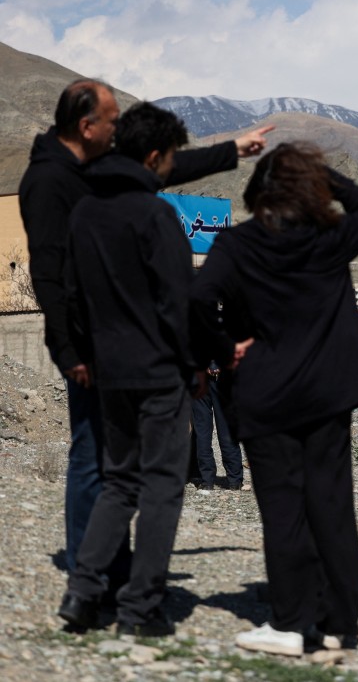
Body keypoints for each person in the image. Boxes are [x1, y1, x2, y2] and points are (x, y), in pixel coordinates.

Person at [17, 78, 272, 587]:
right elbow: (47, 275)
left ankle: (105, 568)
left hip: (110, 346)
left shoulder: (92, 169)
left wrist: (231, 151)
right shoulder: (50, 182)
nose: (117, 131)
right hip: (87, 349)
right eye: (111, 121)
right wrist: (68, 350)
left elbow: (157, 166)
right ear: (87, 126)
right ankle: (93, 575)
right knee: (94, 459)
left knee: (114, 466)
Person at [190, 142, 358, 656]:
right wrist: (326, 177)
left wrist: (222, 348)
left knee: (283, 510)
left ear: (258, 191)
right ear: (312, 191)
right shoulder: (330, 237)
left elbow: (196, 298)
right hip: (328, 393)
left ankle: (292, 625)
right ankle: (341, 624)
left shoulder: (237, 244)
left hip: (267, 393)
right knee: (332, 505)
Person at [56, 102, 205, 636]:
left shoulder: (85, 212)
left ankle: (82, 593)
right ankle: (141, 609)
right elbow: (178, 299)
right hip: (159, 370)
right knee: (163, 486)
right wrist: (196, 364)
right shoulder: (154, 214)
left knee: (119, 483)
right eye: (169, 161)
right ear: (153, 156)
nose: (169, 170)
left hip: (108, 372)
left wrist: (85, 355)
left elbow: (72, 296)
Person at [191, 362, 244, 490]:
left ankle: (207, 480)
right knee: (225, 428)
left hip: (198, 376)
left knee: (202, 431)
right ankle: (234, 479)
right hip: (221, 375)